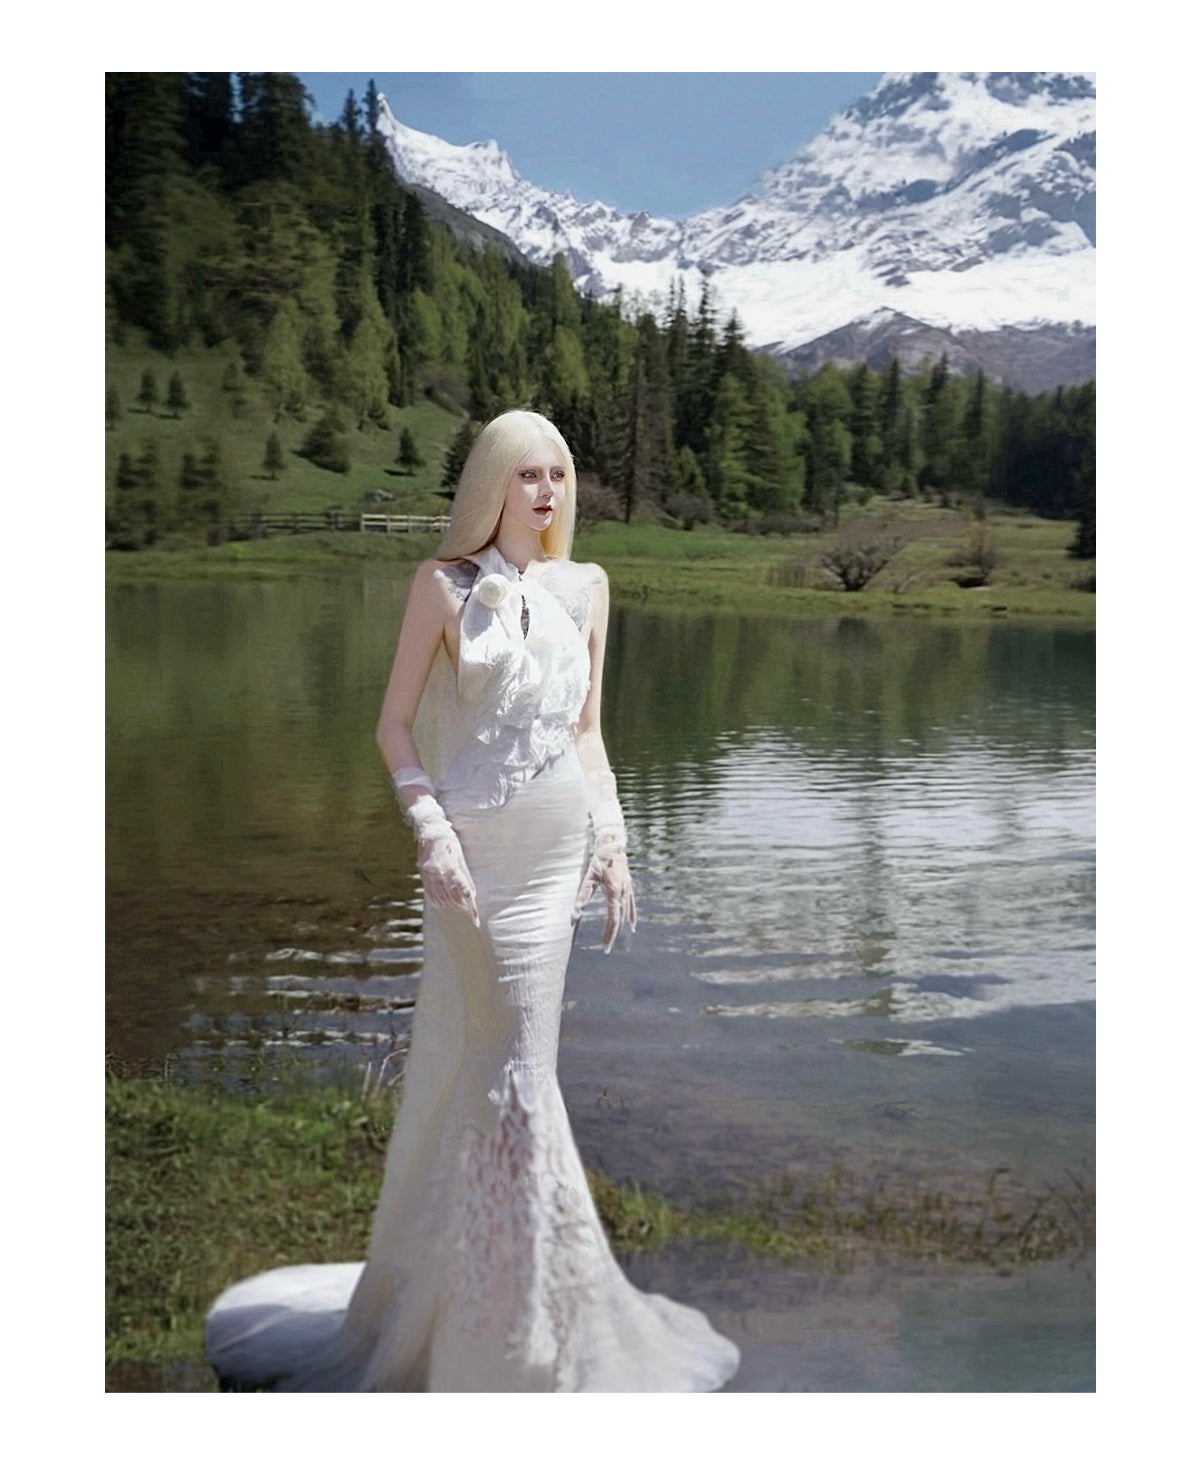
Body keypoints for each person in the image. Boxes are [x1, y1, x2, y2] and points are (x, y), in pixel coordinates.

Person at [204, 409, 739, 1392]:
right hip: (472, 854)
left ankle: (514, 1302)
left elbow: (588, 731)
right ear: (493, 483)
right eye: (528, 473)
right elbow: (393, 725)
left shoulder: (589, 586)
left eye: (559, 474)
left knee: (522, 1063)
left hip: (556, 849)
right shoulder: (442, 586)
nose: (547, 490)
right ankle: (497, 1321)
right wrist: (432, 829)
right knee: (504, 1064)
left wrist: (614, 843)